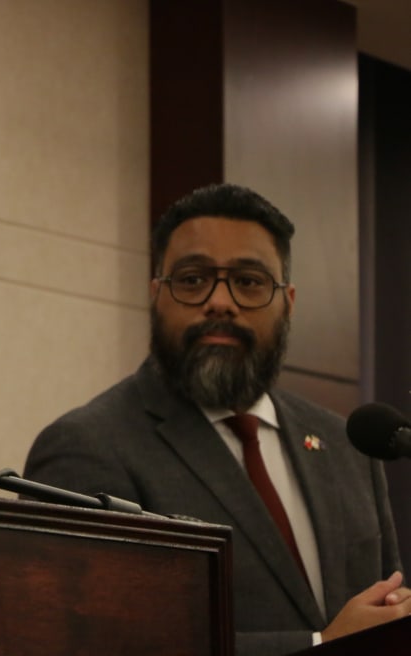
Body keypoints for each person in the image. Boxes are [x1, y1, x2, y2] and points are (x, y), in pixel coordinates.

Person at [23, 183, 411, 655]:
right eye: (192, 280)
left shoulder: (347, 442)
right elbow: (87, 642)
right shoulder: (87, 447)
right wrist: (319, 644)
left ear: (288, 301)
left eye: (249, 281)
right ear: (155, 295)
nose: (220, 302)